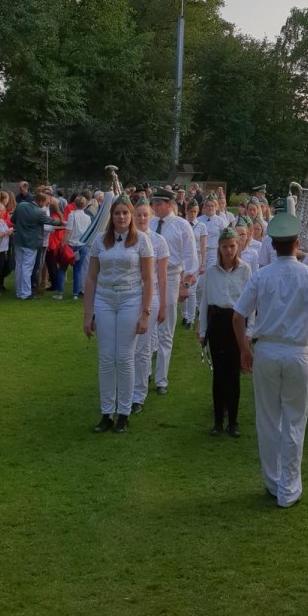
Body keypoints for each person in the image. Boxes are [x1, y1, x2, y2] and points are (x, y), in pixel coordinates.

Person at [233, 211, 308, 508]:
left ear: (273, 245)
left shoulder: (261, 275)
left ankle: (274, 482)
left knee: (268, 420)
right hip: (297, 352)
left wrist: (244, 349)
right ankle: (288, 487)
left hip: (267, 351)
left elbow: (238, 316)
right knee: (294, 420)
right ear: (296, 243)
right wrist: (306, 327)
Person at [83, 198, 154, 434]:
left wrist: (145, 313)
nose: (121, 217)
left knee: (124, 357)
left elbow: (148, 279)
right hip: (104, 299)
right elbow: (91, 278)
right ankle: (106, 413)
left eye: (125, 213)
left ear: (131, 215)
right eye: (117, 213)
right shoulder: (100, 241)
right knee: (106, 358)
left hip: (130, 299)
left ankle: (123, 413)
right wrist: (88, 314)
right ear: (111, 216)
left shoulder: (141, 240)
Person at [199, 226, 253, 437]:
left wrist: (249, 331)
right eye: (225, 247)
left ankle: (233, 422)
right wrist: (203, 330)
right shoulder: (211, 271)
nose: (229, 251)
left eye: (232, 246)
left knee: (233, 374)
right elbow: (204, 302)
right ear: (219, 248)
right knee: (218, 374)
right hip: (217, 322)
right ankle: (218, 422)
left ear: (237, 246)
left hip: (236, 322)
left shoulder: (245, 270)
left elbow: (252, 303)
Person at [149, 186, 198, 395]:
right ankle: (145, 371)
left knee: (166, 331)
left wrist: (185, 285)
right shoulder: (150, 223)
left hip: (171, 277)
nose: (154, 206)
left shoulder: (181, 225)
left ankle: (161, 379)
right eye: (153, 203)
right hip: (150, 277)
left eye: (158, 203)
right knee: (147, 327)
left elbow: (191, 258)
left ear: (169, 204)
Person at [131, 200, 168, 413]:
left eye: (145, 215)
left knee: (143, 348)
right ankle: (128, 387)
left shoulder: (159, 241)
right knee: (128, 347)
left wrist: (163, 305)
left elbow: (161, 277)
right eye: (138, 215)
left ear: (151, 217)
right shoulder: (127, 239)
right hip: (129, 296)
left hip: (151, 297)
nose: (142, 218)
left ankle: (139, 394)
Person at [11, 189, 54, 300]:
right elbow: (50, 221)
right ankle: (26, 293)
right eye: (45, 202)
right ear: (41, 201)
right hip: (31, 243)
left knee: (19, 267)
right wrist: (62, 222)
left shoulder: (21, 205)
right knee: (27, 268)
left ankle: (19, 291)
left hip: (19, 240)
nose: (45, 204)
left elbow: (13, 219)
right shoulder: (39, 212)